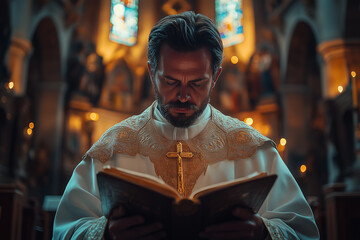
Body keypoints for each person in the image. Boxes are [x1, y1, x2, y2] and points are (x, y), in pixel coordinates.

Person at [53, 11, 319, 240]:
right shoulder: (111, 148)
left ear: (215, 77)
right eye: (170, 81)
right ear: (151, 73)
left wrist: (263, 232)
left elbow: (304, 231)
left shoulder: (253, 150)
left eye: (196, 83)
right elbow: (64, 230)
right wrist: (106, 233)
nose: (182, 95)